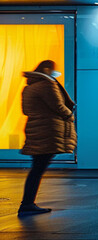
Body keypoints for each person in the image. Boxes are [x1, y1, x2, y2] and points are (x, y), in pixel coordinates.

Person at [17, 60, 76, 216]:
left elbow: (25, 110)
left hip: (35, 128)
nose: (55, 73)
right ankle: (27, 204)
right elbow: (57, 105)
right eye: (53, 70)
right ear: (47, 69)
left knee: (37, 167)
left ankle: (28, 203)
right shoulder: (47, 85)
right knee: (38, 168)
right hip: (48, 130)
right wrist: (69, 115)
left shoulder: (29, 87)